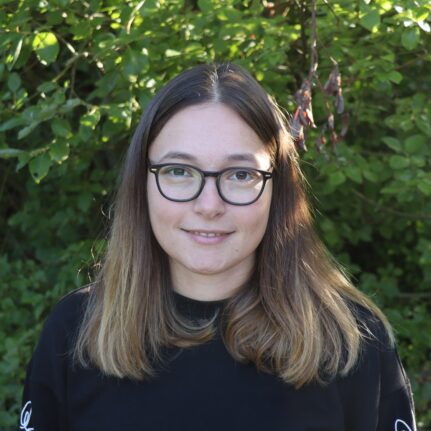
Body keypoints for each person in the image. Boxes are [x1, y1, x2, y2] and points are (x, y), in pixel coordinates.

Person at [20, 63, 416, 431]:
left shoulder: (353, 340)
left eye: (240, 174)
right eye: (178, 171)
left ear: (277, 189)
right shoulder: (76, 332)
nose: (209, 206)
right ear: (142, 184)